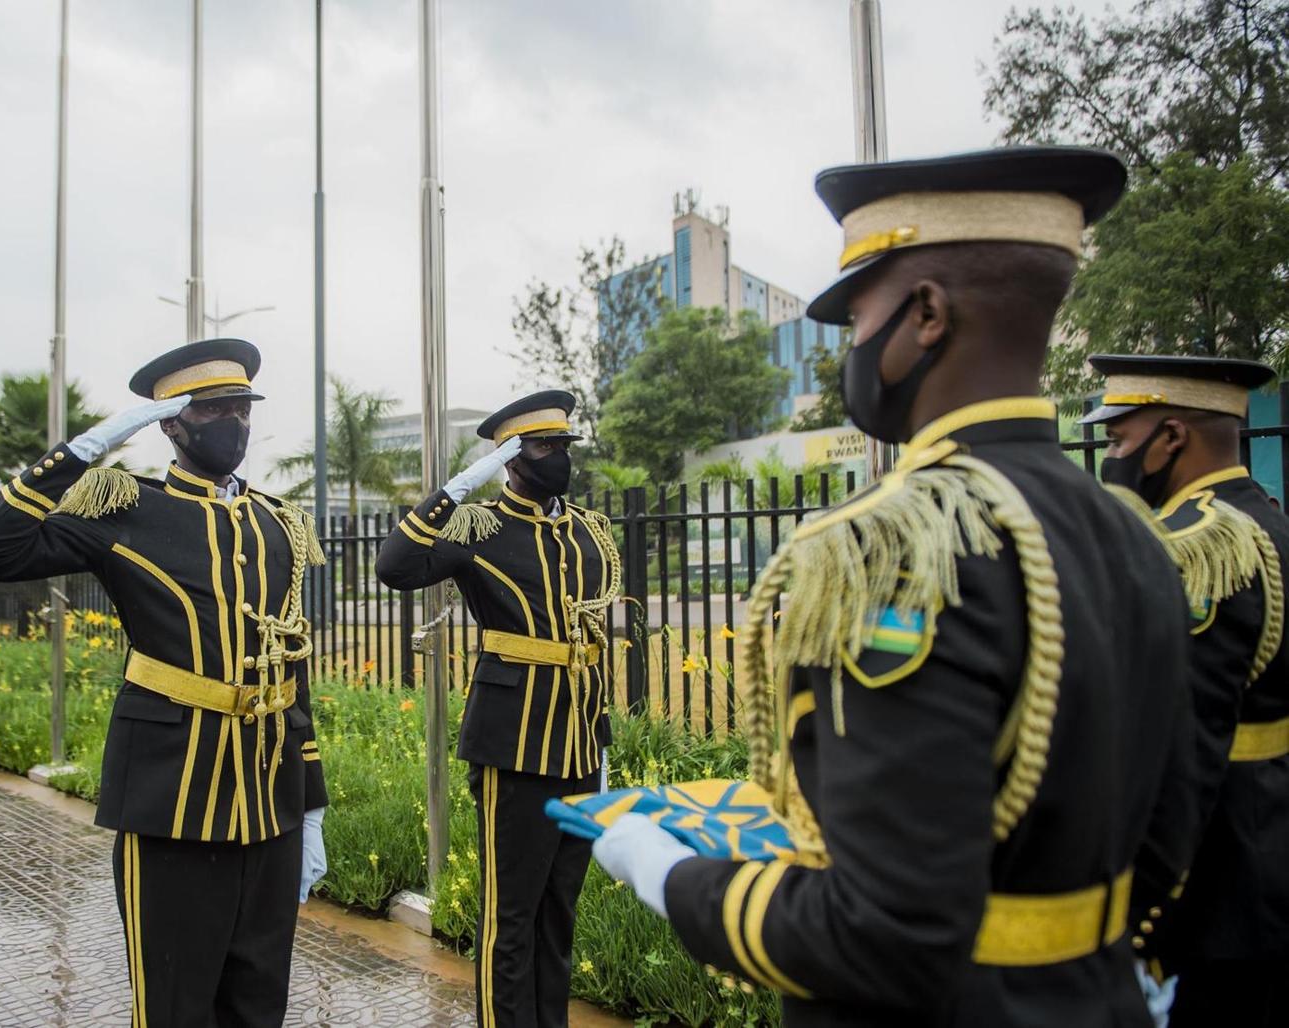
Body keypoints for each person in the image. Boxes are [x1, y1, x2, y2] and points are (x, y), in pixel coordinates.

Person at [589, 147, 1197, 1026]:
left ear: (926, 315)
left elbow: (883, 931)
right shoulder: (1135, 537)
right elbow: (1172, 836)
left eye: (859, 317)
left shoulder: (895, 547)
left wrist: (673, 877)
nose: (854, 347)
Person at [0, 338, 329, 1028]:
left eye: (242, 408)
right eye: (212, 409)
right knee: (174, 1005)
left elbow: (288, 670)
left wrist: (311, 805)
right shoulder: (125, 508)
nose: (233, 423)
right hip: (173, 795)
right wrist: (80, 453)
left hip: (270, 800)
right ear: (171, 423)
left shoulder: (279, 525)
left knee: (259, 1004)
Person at [374, 390, 621, 1027]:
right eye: (542, 447)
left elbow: (590, 641)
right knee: (510, 919)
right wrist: (457, 489)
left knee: (559, 914)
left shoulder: (589, 531)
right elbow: (395, 567)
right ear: (509, 458)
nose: (558, 457)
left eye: (563, 445)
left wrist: (600, 742)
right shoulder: (479, 527)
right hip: (514, 743)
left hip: (578, 746)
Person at [1083, 354, 1289, 1026]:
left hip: (1219, 893)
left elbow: (1183, 754)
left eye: (1120, 440)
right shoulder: (1271, 522)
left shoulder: (1198, 549)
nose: (1113, 458)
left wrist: (1137, 912)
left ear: (1171, 437)